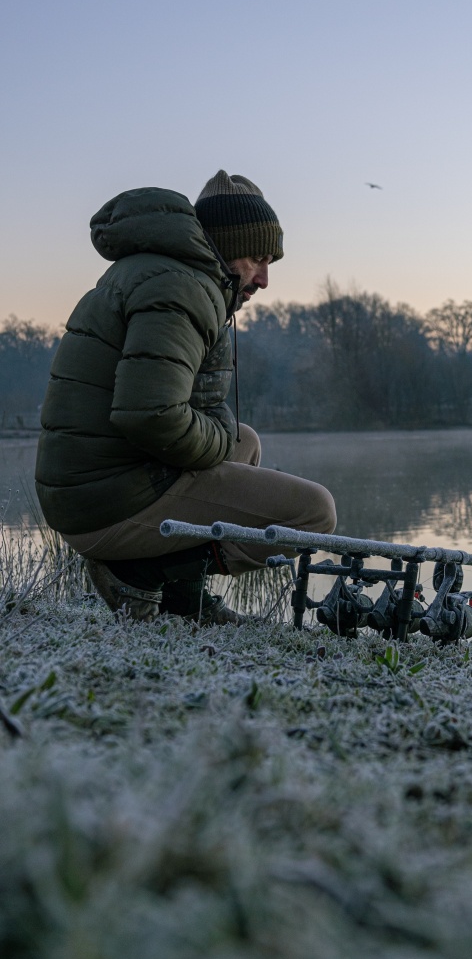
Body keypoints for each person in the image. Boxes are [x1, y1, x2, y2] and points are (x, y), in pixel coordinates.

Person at [34, 171, 336, 624]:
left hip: (90, 486)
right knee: (314, 514)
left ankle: (183, 600)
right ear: (226, 245)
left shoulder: (165, 272)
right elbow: (150, 414)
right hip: (104, 502)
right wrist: (216, 439)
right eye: (257, 258)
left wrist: (222, 436)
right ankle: (137, 572)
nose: (265, 278)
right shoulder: (183, 288)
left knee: (243, 439)